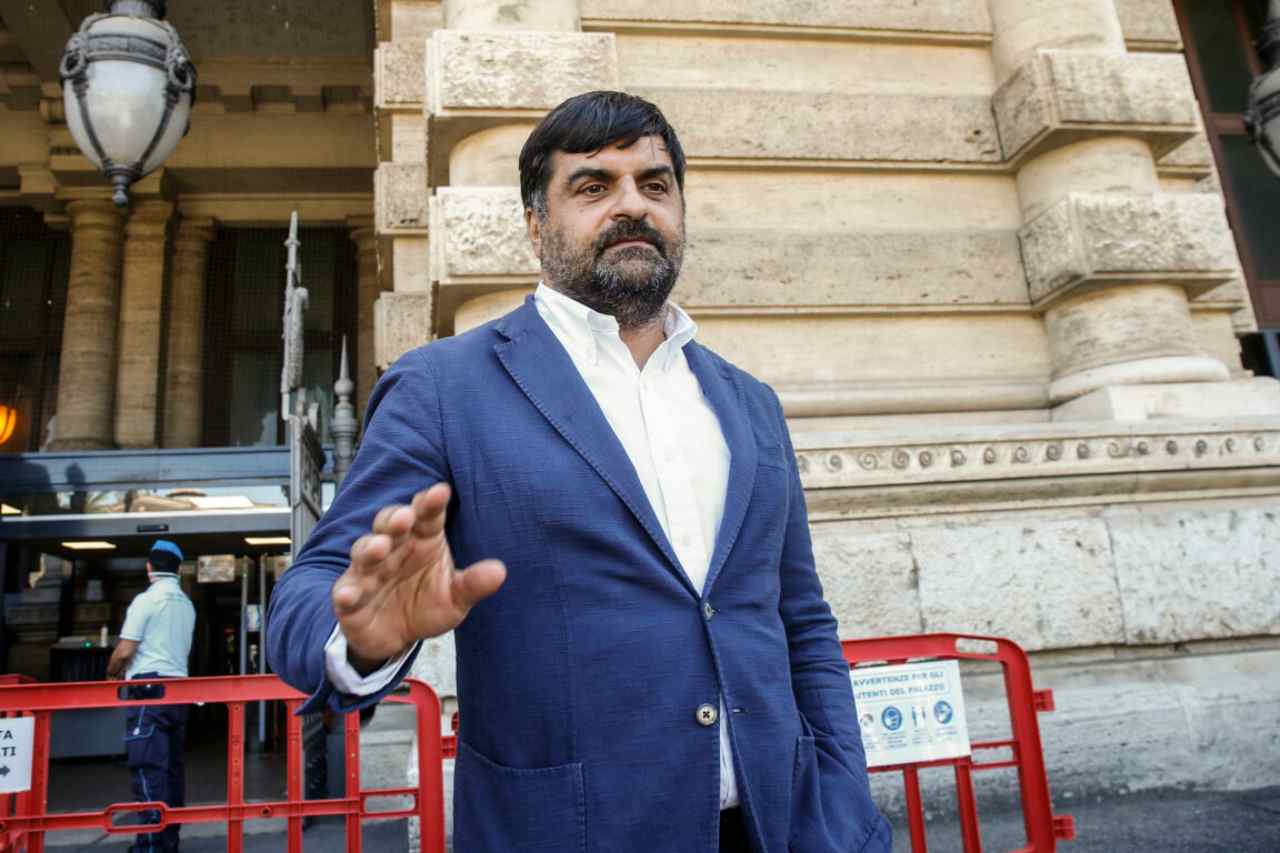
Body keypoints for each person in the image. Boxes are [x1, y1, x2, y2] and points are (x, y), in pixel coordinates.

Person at [267, 91, 891, 853]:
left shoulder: (749, 402)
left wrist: (843, 800)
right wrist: (359, 636)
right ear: (536, 225)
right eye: (594, 186)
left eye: (655, 184)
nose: (632, 205)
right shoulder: (444, 386)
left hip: (783, 827)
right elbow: (313, 583)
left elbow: (801, 619)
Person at [107, 540, 196, 853]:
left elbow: (125, 650)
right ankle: (168, 841)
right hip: (179, 691)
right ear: (179, 569)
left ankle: (150, 845)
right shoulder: (187, 605)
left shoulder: (146, 601)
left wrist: (111, 673)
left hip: (149, 690)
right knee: (172, 770)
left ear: (149, 568)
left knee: (147, 766)